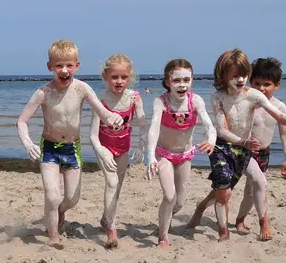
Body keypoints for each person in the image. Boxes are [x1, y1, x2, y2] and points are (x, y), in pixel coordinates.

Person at [188, 49, 286, 241]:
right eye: (236, 76)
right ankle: (207, 211)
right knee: (224, 191)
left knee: (258, 184)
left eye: (244, 75)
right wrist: (244, 142)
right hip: (228, 147)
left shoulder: (254, 96)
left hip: (250, 150)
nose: (241, 80)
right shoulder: (218, 97)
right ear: (223, 75)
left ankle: (258, 221)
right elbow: (222, 129)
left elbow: (279, 117)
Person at [16, 40, 124, 246]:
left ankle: (60, 212)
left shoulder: (82, 89)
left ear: (77, 66)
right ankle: (53, 236)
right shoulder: (43, 93)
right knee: (52, 195)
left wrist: (112, 118)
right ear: (50, 67)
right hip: (49, 149)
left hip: (72, 149)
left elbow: (103, 112)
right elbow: (21, 121)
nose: (64, 70)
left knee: (72, 199)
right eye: (58, 66)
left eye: (69, 65)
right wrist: (28, 143)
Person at [145, 59, 216, 249]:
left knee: (179, 202)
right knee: (169, 196)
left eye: (186, 79)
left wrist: (211, 141)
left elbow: (210, 127)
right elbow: (153, 129)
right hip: (164, 155)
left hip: (185, 156)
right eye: (177, 80)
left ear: (192, 80)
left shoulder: (196, 101)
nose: (182, 84)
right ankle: (162, 236)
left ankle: (164, 220)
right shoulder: (161, 102)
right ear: (168, 82)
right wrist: (150, 156)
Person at [89, 53, 145, 248]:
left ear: (130, 77)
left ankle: (106, 218)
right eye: (114, 77)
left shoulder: (134, 98)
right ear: (105, 77)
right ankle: (111, 230)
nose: (119, 81)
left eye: (123, 77)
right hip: (104, 148)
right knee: (111, 183)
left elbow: (142, 124)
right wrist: (101, 151)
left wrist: (141, 146)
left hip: (124, 148)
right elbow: (93, 135)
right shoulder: (100, 100)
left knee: (117, 186)